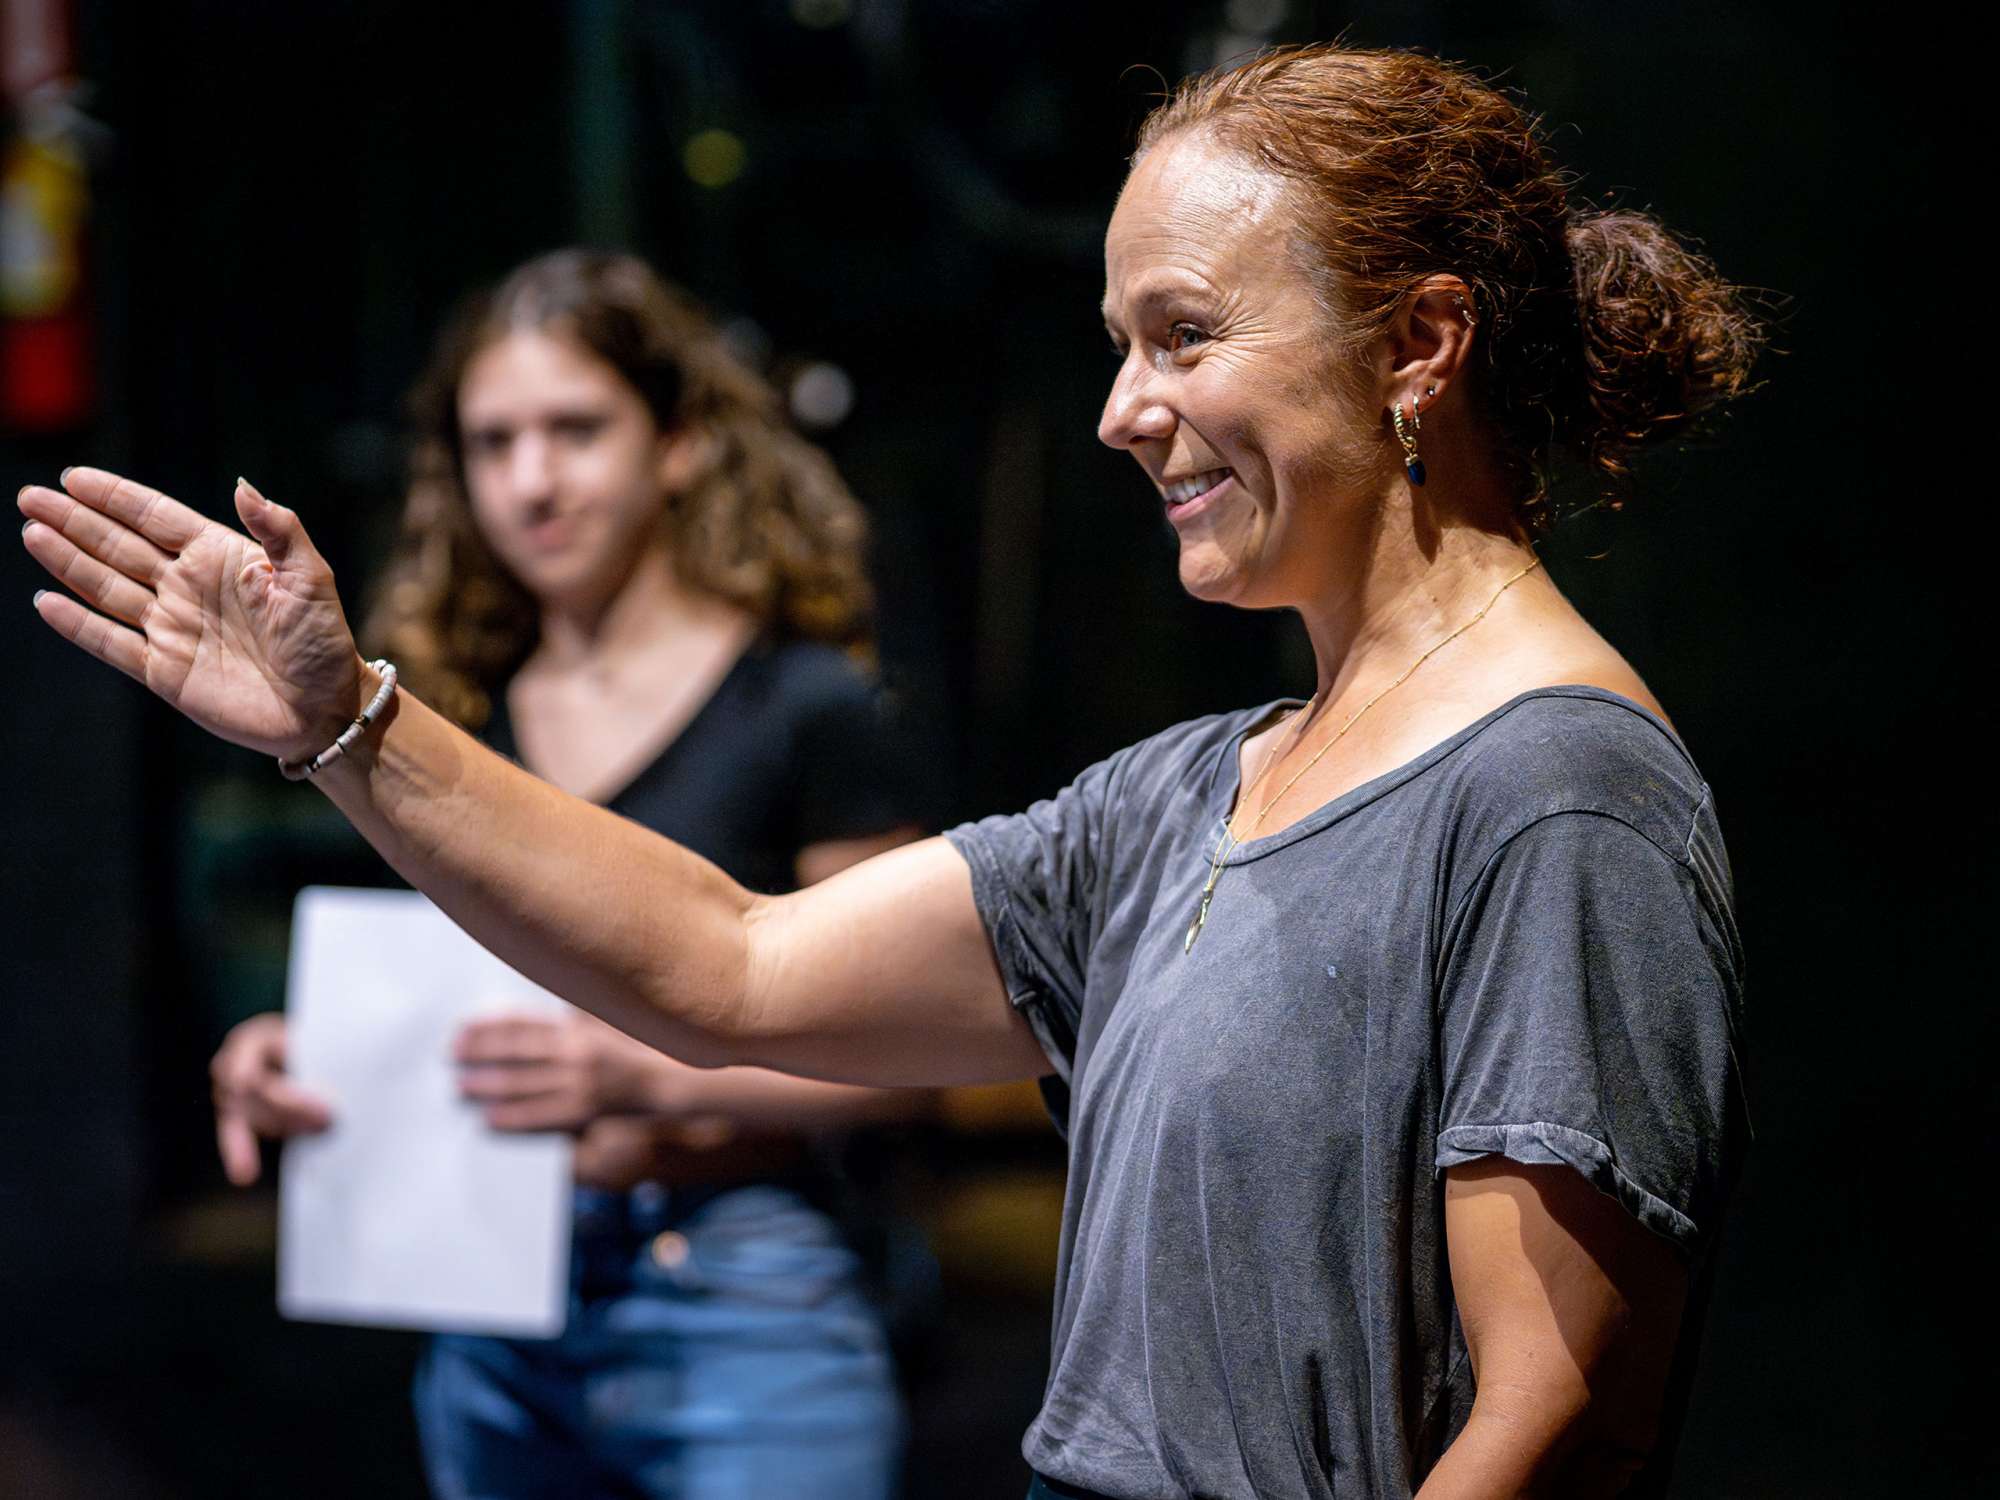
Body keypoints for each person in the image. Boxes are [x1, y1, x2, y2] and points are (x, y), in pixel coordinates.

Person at [21, 44, 1759, 1500]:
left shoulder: (1558, 794)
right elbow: (736, 960)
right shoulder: (1185, 795)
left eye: (1183, 334)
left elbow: (1552, 1423)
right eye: (1117, 342)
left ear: (1419, 344)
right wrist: (349, 726)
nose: (1120, 409)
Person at [204, 249, 925, 1500]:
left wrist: (628, 1072)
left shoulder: (806, 705)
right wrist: (311, 1054)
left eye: (575, 429)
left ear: (681, 442)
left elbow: (911, 1056)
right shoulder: (441, 721)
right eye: (493, 443)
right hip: (494, 1301)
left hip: (740, 1290)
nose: (532, 480)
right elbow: (443, 993)